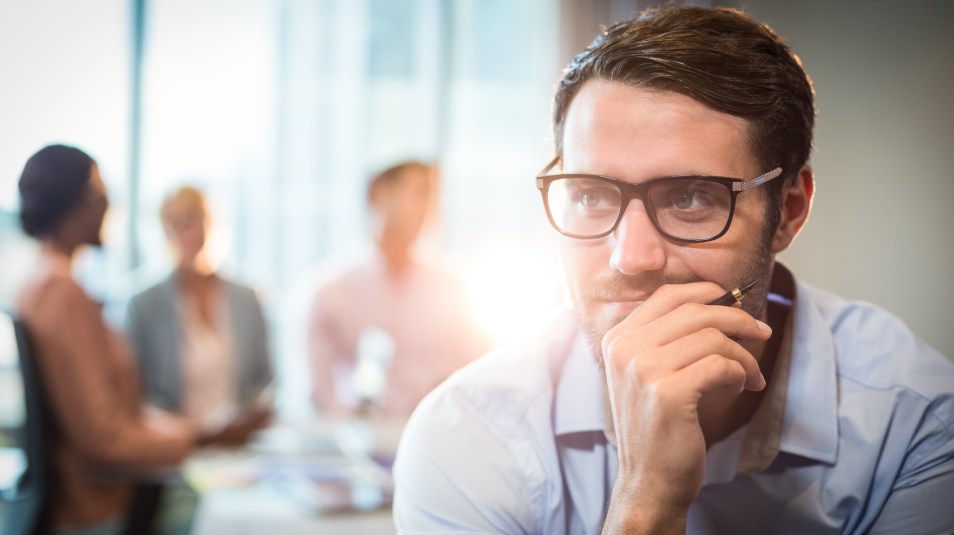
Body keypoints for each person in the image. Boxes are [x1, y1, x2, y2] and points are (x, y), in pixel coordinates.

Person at [393, 6, 954, 535]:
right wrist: (646, 501)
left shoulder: (915, 423)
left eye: (690, 198)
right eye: (591, 195)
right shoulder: (467, 435)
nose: (631, 258)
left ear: (789, 211)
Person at [14, 144, 196, 534]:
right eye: (97, 192)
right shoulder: (60, 293)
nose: (108, 203)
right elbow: (102, 436)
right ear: (70, 201)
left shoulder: (46, 283)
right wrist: (197, 437)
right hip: (94, 510)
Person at [307, 161, 491, 418]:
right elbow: (321, 393)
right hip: (359, 439)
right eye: (420, 193)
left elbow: (478, 369)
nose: (430, 209)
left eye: (434, 197)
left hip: (438, 433)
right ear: (381, 193)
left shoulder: (454, 288)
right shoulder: (330, 294)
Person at [125, 186, 273, 445]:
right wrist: (195, 432)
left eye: (196, 218)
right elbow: (137, 395)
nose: (190, 231)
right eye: (177, 222)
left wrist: (242, 421)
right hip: (174, 447)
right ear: (164, 231)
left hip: (239, 445)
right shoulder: (143, 305)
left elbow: (266, 382)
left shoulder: (249, 298)